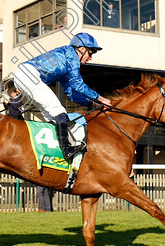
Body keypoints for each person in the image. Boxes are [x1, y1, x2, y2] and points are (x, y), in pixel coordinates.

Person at [12, 33, 111, 162]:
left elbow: (71, 92)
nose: (90, 58)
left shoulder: (67, 58)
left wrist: (93, 104)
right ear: (81, 49)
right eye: (90, 53)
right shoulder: (72, 55)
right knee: (59, 112)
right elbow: (77, 84)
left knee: (53, 117)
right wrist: (101, 98)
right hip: (29, 75)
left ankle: (49, 151)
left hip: (24, 76)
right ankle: (66, 150)